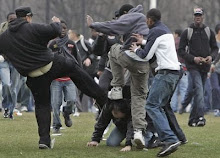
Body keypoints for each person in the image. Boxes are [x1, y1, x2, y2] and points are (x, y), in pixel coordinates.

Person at [0, 6, 107, 149]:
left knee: (42, 105)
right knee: (74, 69)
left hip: (34, 75)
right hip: (50, 65)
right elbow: (55, 30)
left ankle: (44, 140)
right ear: (28, 17)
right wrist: (56, 22)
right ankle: (101, 98)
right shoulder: (32, 28)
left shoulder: (4, 38)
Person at [87, 4, 150, 149]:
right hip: (143, 65)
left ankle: (117, 86)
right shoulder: (145, 25)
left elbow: (114, 25)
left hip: (131, 60)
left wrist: (95, 25)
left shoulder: (133, 18)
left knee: (114, 49)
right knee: (139, 97)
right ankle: (139, 133)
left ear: (126, 14)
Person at [130, 8, 183, 157]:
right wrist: (144, 41)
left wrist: (136, 49)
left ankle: (170, 139)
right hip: (174, 73)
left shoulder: (154, 31)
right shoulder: (164, 30)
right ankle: (167, 139)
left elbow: (146, 55)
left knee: (151, 105)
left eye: (146, 20)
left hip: (165, 74)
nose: (146, 22)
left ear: (150, 19)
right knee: (159, 107)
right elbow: (158, 44)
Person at [178, 7, 218, 126]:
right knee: (200, 91)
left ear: (203, 16)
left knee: (197, 93)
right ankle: (200, 117)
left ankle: (192, 120)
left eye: (199, 15)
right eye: (196, 15)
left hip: (205, 67)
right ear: (193, 17)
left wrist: (211, 57)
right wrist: (193, 59)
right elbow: (180, 51)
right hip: (193, 67)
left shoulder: (209, 31)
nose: (198, 17)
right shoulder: (187, 32)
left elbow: (215, 49)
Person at [48, 20, 80, 135]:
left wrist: (80, 74)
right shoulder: (52, 44)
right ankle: (56, 125)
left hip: (69, 79)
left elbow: (77, 60)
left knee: (72, 100)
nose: (62, 30)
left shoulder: (71, 43)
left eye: (64, 28)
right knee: (55, 104)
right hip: (56, 79)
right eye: (60, 28)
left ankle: (67, 113)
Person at [0, 12, 17, 119]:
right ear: (7, 20)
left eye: (15, 19)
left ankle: (11, 110)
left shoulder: (22, 31)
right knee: (6, 84)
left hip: (17, 62)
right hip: (4, 61)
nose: (13, 21)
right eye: (11, 19)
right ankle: (6, 106)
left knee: (14, 89)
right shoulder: (1, 30)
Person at [170, 29, 188, 113]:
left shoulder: (173, 42)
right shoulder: (186, 42)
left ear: (176, 34)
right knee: (184, 88)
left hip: (174, 66)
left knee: (174, 89)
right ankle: (183, 107)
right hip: (184, 66)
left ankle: (173, 107)